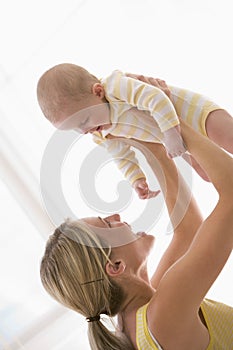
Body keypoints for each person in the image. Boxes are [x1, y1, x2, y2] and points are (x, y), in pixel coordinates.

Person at [40, 119, 233, 350]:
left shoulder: (138, 318)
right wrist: (169, 121)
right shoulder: (163, 315)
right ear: (115, 266)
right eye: (108, 224)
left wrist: (151, 144)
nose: (116, 216)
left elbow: (189, 229)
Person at [37, 64, 233, 199]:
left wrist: (171, 133)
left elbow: (156, 97)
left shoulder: (116, 87)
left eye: (84, 120)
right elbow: (120, 155)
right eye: (75, 129)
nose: (84, 131)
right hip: (182, 141)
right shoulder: (100, 132)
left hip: (195, 115)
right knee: (211, 176)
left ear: (97, 92)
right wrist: (136, 178)